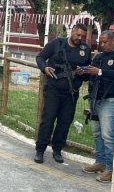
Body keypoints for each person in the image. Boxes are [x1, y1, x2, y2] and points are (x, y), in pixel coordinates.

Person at [34, 23, 91, 164]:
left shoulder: (85, 50)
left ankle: (57, 149)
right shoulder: (56, 43)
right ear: (72, 32)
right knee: (48, 120)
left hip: (71, 93)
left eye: (83, 37)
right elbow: (40, 57)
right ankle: (40, 150)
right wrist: (44, 68)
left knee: (65, 122)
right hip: (53, 90)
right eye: (78, 35)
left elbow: (88, 73)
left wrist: (83, 73)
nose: (80, 38)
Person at [80, 31, 114, 183]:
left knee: (108, 136)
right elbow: (92, 73)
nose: (102, 45)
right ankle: (100, 162)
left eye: (105, 42)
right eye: (101, 42)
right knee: (97, 133)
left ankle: (110, 169)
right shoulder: (98, 56)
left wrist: (100, 72)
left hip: (109, 101)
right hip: (94, 99)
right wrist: (84, 71)